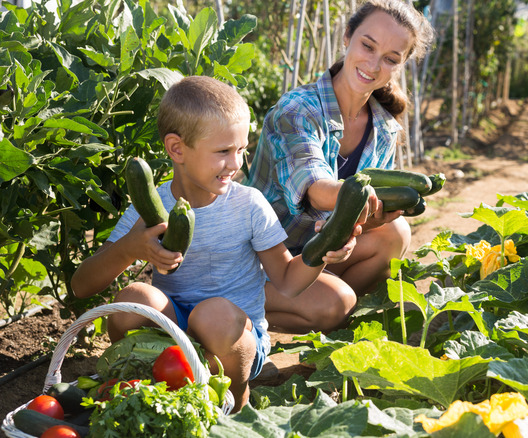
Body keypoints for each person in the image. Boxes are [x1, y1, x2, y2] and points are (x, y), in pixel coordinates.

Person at [71, 76, 360, 411]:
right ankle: (144, 383)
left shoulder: (249, 204)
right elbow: (81, 286)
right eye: (223, 152)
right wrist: (129, 248)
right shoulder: (150, 207)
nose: (236, 164)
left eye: (241, 150)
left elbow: (288, 280)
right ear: (177, 149)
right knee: (134, 300)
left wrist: (324, 249)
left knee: (214, 315)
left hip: (234, 339)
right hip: (173, 336)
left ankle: (236, 399)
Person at [244, 0, 435, 334]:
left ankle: (331, 317)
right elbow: (315, 190)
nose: (374, 65)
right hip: (262, 260)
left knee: (396, 232)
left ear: (401, 64)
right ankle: (228, 310)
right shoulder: (297, 110)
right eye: (367, 45)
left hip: (317, 251)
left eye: (391, 59)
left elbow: (353, 220)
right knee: (336, 303)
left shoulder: (384, 128)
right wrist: (360, 201)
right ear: (347, 37)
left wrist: (369, 218)